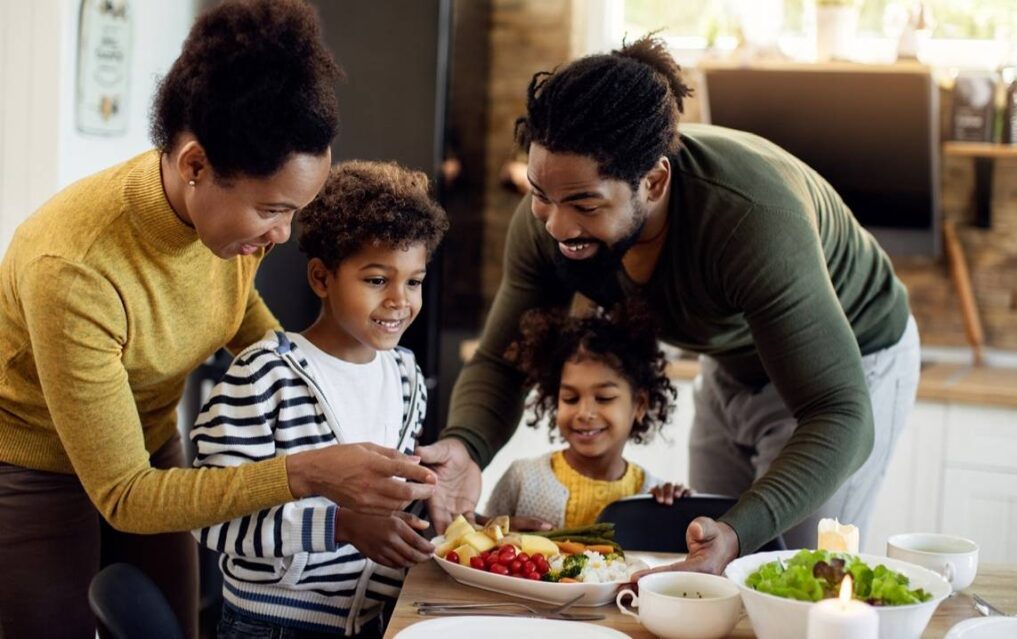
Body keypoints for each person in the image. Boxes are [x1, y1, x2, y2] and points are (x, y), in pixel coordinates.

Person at [0, 3, 435, 637]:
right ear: (195, 166)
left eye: (297, 210)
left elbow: (236, 315)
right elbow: (125, 494)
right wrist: (312, 470)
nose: (284, 236)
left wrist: (330, 380)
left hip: (148, 442)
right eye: (273, 210)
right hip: (38, 464)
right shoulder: (73, 265)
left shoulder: (226, 228)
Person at [418, 35, 921, 576]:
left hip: (851, 366)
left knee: (802, 572)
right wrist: (465, 446)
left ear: (654, 180)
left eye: (585, 203)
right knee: (709, 562)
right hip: (731, 358)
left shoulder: (751, 219)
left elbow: (840, 414)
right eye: (541, 193)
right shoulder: (551, 221)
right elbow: (502, 358)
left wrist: (738, 530)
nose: (558, 226)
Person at [190, 160, 449, 638]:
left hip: (377, 620)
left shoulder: (406, 375)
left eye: (413, 281)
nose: (400, 300)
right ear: (321, 278)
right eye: (376, 280)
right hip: (272, 627)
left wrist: (449, 514)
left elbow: (389, 512)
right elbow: (213, 521)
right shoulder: (263, 376)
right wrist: (341, 526)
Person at [485, 303, 689, 528]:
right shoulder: (521, 479)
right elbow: (478, 543)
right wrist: (499, 531)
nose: (584, 413)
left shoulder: (650, 495)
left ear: (640, 405)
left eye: (603, 398)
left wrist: (680, 509)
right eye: (570, 399)